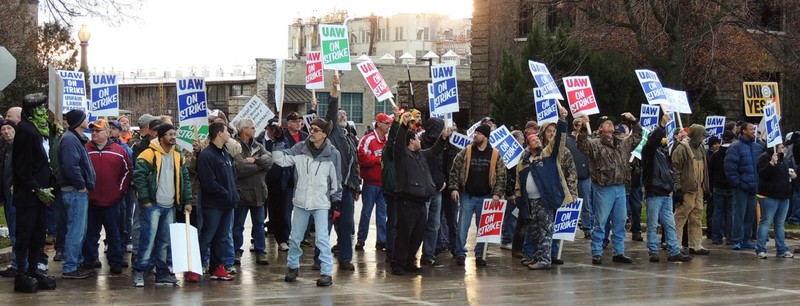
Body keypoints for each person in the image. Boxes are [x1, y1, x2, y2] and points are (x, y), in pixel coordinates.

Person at [273, 117, 342, 287]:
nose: (312, 132)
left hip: (321, 203)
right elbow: (279, 160)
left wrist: (336, 202)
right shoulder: (299, 148)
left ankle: (326, 272)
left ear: (325, 134)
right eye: (311, 129)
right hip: (301, 202)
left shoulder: (333, 154)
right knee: (295, 238)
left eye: (316, 130)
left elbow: (336, 181)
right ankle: (293, 267)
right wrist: (279, 142)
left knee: (322, 239)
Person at [576, 111, 641, 265]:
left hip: (620, 187)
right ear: (599, 128)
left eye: (612, 122)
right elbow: (581, 144)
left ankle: (619, 251)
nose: (611, 124)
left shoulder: (622, 142)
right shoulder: (595, 144)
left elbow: (638, 136)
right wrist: (584, 127)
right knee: (601, 221)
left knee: (620, 221)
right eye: (606, 123)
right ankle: (597, 252)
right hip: (604, 188)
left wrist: (633, 120)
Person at [310, 74, 361, 271]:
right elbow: (331, 110)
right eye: (339, 114)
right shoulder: (331, 135)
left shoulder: (350, 139)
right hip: (329, 189)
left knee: (347, 224)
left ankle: (346, 258)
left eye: (344, 115)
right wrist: (335, 90)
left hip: (347, 188)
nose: (342, 116)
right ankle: (319, 258)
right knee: (326, 224)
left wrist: (356, 186)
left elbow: (354, 165)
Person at [390, 109, 450, 275]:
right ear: (410, 142)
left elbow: (434, 150)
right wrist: (403, 125)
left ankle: (410, 261)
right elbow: (399, 142)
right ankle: (398, 264)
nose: (419, 139)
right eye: (416, 138)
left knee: (417, 235)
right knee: (404, 234)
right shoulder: (403, 155)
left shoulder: (420, 155)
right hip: (406, 201)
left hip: (421, 201)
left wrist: (443, 138)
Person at [132, 123, 192, 287]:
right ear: (161, 136)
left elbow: (185, 179)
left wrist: (187, 201)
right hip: (153, 206)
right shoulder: (147, 154)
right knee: (148, 241)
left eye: (174, 134)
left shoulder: (178, 156)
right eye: (169, 134)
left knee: (165, 242)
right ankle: (140, 271)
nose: (173, 137)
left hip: (170, 206)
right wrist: (145, 201)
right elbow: (139, 178)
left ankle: (162, 273)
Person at [515, 102, 571, 270]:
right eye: (533, 139)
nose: (537, 140)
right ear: (527, 143)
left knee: (546, 230)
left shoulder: (546, 154)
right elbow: (519, 182)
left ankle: (545, 260)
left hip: (543, 200)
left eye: (538, 138)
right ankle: (537, 257)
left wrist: (562, 119)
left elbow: (558, 140)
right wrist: (519, 197)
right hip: (530, 202)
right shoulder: (523, 162)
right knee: (534, 232)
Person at [11, 94, 57, 292]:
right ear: (29, 111)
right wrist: (36, 189)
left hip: (42, 194)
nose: (42, 111)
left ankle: (33, 269)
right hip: (29, 195)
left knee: (38, 235)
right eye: (37, 108)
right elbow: (21, 167)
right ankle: (21, 273)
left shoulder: (42, 129)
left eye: (43, 107)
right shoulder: (25, 131)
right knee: (25, 235)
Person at [449, 123, 507, 267]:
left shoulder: (495, 154)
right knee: (463, 225)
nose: (475, 135)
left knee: (483, 227)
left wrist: (497, 194)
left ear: (486, 137)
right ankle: (460, 253)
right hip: (467, 195)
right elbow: (454, 170)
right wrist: (454, 188)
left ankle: (480, 254)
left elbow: (501, 176)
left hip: (486, 196)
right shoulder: (466, 151)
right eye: (475, 133)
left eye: (479, 134)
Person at [82, 119, 132, 274]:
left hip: (112, 201)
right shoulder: (85, 149)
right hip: (91, 200)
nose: (94, 134)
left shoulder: (119, 150)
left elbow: (127, 171)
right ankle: (89, 260)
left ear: (107, 133)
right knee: (90, 233)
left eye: (98, 131)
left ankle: (115, 261)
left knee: (114, 233)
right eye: (93, 131)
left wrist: (120, 191)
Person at [640, 112, 692, 263]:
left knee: (670, 224)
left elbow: (675, 148)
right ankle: (653, 250)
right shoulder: (648, 152)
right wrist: (662, 126)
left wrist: (680, 138)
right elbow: (652, 142)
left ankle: (674, 250)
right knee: (652, 223)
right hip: (654, 192)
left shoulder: (664, 153)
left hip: (666, 193)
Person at [195, 122, 241, 282]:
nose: (229, 133)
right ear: (219, 134)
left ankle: (217, 268)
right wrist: (226, 193)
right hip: (213, 205)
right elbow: (208, 182)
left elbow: (233, 177)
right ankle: (195, 267)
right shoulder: (207, 155)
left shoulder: (225, 154)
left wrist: (235, 193)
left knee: (221, 238)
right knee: (207, 236)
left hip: (227, 204)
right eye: (226, 131)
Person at [58, 109, 97, 279]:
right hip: (74, 191)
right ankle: (70, 267)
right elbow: (70, 166)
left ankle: (76, 262)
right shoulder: (70, 140)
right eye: (85, 117)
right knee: (75, 230)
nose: (87, 119)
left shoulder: (74, 138)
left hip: (76, 191)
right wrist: (81, 185)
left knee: (79, 229)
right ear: (79, 121)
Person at [231, 118, 272, 265]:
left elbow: (269, 160)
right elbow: (239, 168)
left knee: (260, 225)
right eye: (252, 127)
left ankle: (261, 252)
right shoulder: (234, 146)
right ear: (244, 130)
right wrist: (260, 166)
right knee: (238, 226)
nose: (255, 129)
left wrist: (255, 161)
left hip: (258, 193)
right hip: (242, 193)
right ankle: (236, 252)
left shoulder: (258, 146)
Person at [724, 122, 764, 250]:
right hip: (741, 187)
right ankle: (736, 239)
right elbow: (730, 168)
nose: (754, 131)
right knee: (738, 214)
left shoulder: (757, 147)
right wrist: (737, 183)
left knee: (749, 215)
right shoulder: (735, 147)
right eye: (751, 129)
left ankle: (747, 238)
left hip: (753, 187)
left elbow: (760, 165)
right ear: (743, 131)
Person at [672, 124, 710, 255]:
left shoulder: (700, 148)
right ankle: (676, 244)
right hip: (686, 188)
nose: (703, 139)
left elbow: (704, 169)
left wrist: (706, 187)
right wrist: (677, 188)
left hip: (698, 188)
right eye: (702, 136)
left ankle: (696, 244)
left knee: (697, 216)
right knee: (681, 216)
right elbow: (675, 170)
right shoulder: (682, 149)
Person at [356, 113, 391, 251]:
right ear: (379, 124)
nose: (388, 126)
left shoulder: (387, 140)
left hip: (383, 183)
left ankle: (381, 240)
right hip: (370, 183)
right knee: (366, 212)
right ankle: (361, 239)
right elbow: (361, 156)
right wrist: (377, 160)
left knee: (382, 213)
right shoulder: (368, 139)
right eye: (386, 123)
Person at [755, 144, 795, 259]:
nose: (783, 146)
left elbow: (782, 174)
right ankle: (760, 249)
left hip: (783, 196)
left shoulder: (784, 158)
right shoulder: (764, 157)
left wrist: (792, 176)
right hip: (769, 196)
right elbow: (762, 174)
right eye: (781, 145)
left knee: (780, 223)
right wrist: (771, 164)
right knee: (766, 222)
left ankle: (782, 249)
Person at [709, 131, 735, 244]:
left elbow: (711, 171)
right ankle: (730, 237)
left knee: (718, 212)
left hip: (718, 186)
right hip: (731, 186)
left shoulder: (715, 154)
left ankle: (716, 237)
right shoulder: (734, 153)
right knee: (730, 212)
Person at [0, 119, 17, 278]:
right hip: (7, 196)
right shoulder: (5, 148)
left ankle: (18, 264)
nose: (6, 132)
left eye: (9, 128)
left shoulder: (19, 148)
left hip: (17, 197)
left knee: (16, 231)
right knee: (13, 230)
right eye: (3, 129)